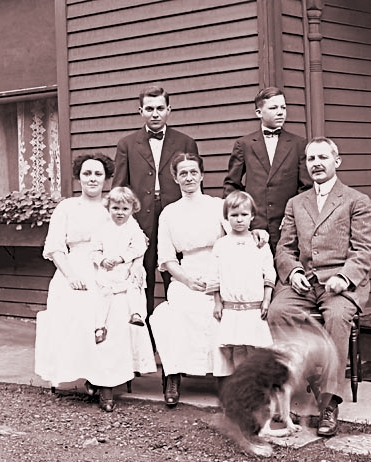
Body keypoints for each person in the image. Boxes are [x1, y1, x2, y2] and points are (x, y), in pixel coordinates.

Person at [266, 137, 371, 437]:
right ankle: (300, 384)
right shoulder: (296, 203)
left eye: (322, 158)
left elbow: (364, 250)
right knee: (277, 311)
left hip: (341, 284)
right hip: (305, 283)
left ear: (336, 162)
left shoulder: (356, 201)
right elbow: (284, 249)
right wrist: (293, 273)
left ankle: (328, 403)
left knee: (338, 319)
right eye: (310, 158)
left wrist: (345, 277)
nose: (316, 163)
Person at [34, 154, 157, 413]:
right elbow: (55, 248)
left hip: (111, 271)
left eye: (98, 174)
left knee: (114, 312)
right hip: (75, 268)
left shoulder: (114, 205)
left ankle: (106, 382)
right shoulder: (67, 207)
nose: (92, 179)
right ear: (79, 177)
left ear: (106, 178)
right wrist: (71, 275)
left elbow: (138, 242)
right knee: (77, 306)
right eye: (87, 173)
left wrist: (135, 267)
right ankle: (87, 372)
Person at [149, 153, 269, 407]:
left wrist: (258, 231)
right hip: (186, 276)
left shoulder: (217, 205)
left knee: (219, 313)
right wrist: (187, 280)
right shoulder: (169, 214)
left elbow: (239, 232)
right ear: (175, 178)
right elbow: (167, 259)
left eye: (193, 172)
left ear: (202, 175)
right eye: (183, 173)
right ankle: (173, 374)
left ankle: (224, 377)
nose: (189, 177)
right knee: (174, 313)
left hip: (222, 272)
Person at [112, 85, 199, 342]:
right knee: (142, 278)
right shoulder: (127, 144)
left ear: (168, 110)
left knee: (177, 278)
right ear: (140, 111)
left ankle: (179, 337)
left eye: (160, 108)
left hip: (175, 219)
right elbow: (119, 189)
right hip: (141, 222)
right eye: (149, 109)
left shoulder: (185, 142)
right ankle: (146, 342)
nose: (155, 114)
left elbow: (192, 182)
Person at [223, 87, 312, 253]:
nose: (280, 112)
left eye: (283, 107)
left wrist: (293, 217)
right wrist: (246, 221)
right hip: (255, 230)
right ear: (259, 112)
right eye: (273, 108)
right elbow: (231, 186)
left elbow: (306, 187)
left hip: (288, 229)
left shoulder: (298, 144)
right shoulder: (244, 145)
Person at [206, 191, 276, 369]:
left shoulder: (259, 244)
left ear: (252, 216)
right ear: (226, 217)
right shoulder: (221, 245)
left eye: (244, 215)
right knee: (237, 347)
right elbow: (215, 275)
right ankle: (240, 383)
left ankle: (255, 384)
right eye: (234, 215)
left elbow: (268, 273)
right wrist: (217, 302)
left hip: (254, 306)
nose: (239, 219)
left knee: (254, 346)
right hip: (231, 307)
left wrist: (266, 300)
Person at [91, 186, 149, 346]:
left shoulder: (133, 227)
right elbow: (94, 249)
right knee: (104, 294)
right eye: (115, 208)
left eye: (125, 209)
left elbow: (139, 247)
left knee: (133, 288)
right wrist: (102, 260)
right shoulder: (102, 228)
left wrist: (122, 258)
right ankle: (99, 327)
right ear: (108, 207)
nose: (120, 212)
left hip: (127, 269)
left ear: (132, 209)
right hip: (107, 272)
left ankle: (136, 314)